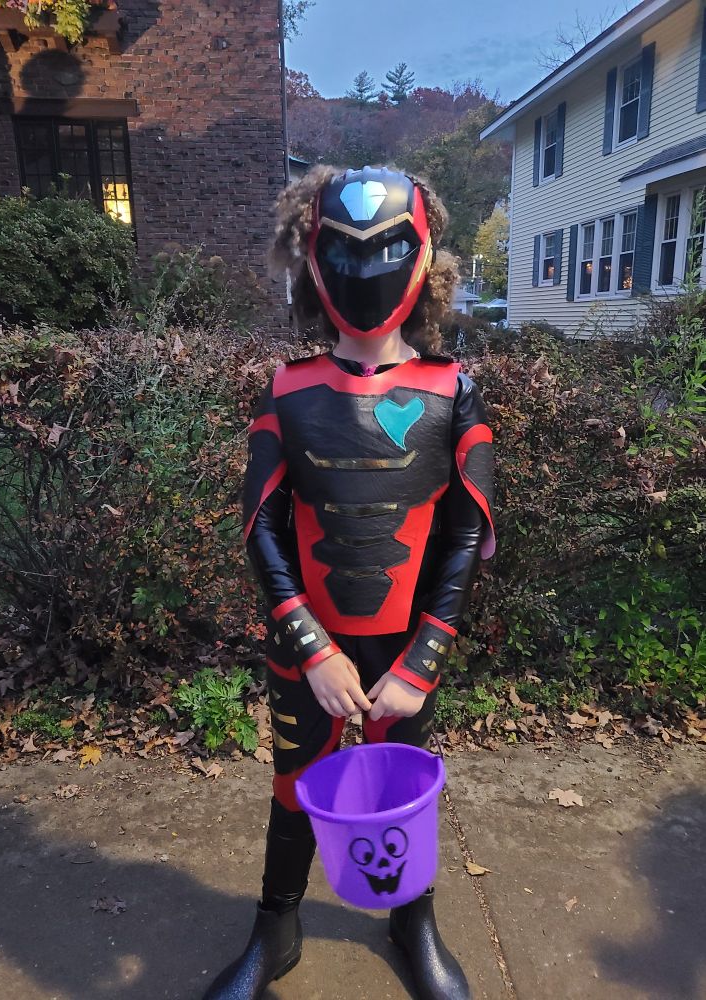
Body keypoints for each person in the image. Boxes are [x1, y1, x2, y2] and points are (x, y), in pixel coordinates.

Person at [204, 166, 495, 1000]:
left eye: (390, 248)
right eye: (346, 249)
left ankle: (413, 920)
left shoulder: (453, 391)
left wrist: (424, 658)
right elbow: (259, 523)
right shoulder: (288, 391)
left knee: (407, 779)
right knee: (296, 780)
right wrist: (311, 646)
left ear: (425, 255)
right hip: (310, 647)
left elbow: (465, 532)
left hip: (407, 645)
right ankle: (277, 926)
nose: (368, 269)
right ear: (311, 253)